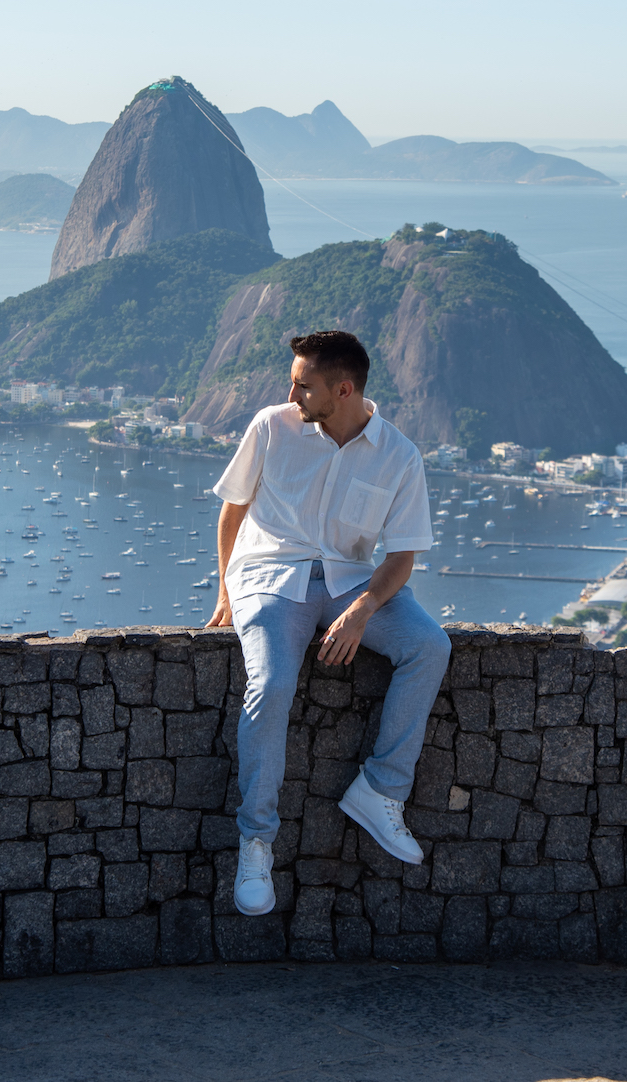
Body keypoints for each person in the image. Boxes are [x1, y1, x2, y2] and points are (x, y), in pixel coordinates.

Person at [206, 330, 451, 917]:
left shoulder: (399, 455)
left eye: (302, 384)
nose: (290, 392)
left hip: (350, 583)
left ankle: (381, 790)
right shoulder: (271, 426)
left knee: (429, 646)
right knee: (271, 684)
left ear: (342, 390)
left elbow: (400, 558)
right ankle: (256, 840)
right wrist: (226, 589)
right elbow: (233, 509)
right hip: (270, 577)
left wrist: (362, 613)